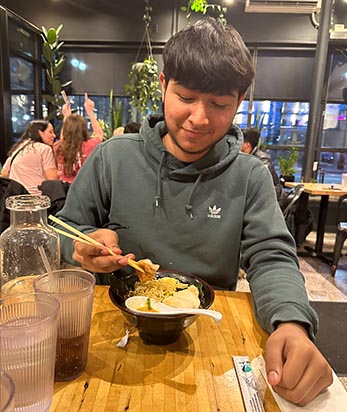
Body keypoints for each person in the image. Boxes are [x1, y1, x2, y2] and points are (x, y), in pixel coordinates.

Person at [55, 18, 332, 406]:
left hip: (208, 336)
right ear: (164, 85)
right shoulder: (112, 158)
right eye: (185, 97)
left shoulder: (250, 175)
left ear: (240, 100)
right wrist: (79, 249)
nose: (199, 119)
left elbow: (272, 258)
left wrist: (292, 323)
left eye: (219, 104)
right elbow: (64, 228)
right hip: (116, 336)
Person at [53, 93, 103, 183]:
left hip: (63, 189)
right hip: (84, 188)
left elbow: (63, 139)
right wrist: (90, 112)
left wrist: (66, 117)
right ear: (84, 129)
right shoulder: (89, 146)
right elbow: (99, 135)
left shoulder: (58, 147)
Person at [1, 120, 58, 194]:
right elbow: (52, 179)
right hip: (37, 199)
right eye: (50, 132)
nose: (54, 135)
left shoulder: (19, 147)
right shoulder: (44, 149)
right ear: (40, 132)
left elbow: (4, 173)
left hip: (15, 199)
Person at [241, 128, 288, 209]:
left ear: (246, 145)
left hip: (272, 201)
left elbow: (261, 188)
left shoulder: (262, 160)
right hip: (260, 199)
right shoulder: (245, 157)